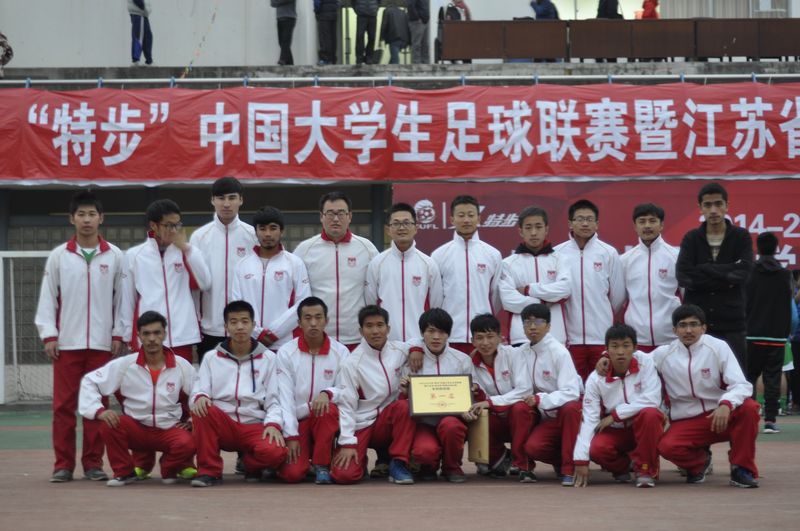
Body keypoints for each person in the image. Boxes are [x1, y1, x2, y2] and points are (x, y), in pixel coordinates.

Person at [35, 191, 124, 483]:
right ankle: (62, 465)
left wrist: (119, 332)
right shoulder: (59, 256)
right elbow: (48, 297)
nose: (87, 220)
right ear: (71, 219)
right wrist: (49, 334)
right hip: (67, 345)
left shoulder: (115, 256)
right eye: (81, 214)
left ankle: (93, 464)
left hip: (101, 345)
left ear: (101, 218)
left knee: (97, 406)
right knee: (63, 408)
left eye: (92, 214)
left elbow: (122, 300)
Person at [78, 311, 196, 487]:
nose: (152, 339)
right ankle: (124, 472)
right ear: (139, 335)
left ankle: (168, 468)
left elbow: (199, 392)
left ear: (164, 334)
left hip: (168, 428)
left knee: (189, 442)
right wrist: (99, 411)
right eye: (146, 333)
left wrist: (192, 420)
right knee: (110, 424)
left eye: (157, 333)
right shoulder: (126, 364)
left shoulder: (181, 365)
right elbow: (90, 381)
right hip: (137, 428)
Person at [655, 304, 760, 488]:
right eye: (682, 325)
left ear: (704, 327)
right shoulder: (664, 354)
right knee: (667, 447)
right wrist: (606, 357)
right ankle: (700, 462)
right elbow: (635, 360)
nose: (688, 330)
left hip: (720, 415)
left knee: (749, 408)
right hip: (688, 420)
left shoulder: (718, 347)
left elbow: (741, 385)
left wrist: (726, 404)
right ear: (674, 330)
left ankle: (741, 469)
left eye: (694, 324)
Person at [190, 300, 288, 487]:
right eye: (234, 322)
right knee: (201, 408)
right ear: (226, 326)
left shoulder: (268, 358)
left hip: (253, 424)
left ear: (253, 325)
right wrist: (200, 397)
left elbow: (274, 399)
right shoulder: (211, 357)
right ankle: (209, 471)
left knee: (276, 453)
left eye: (244, 321)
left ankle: (250, 464)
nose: (240, 327)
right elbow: (199, 389)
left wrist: (274, 423)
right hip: (223, 423)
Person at [330, 306, 418, 485]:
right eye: (369, 326)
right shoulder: (352, 363)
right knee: (344, 476)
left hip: (389, 420)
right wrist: (347, 442)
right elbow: (347, 403)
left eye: (380, 325)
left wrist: (416, 349)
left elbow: (419, 341)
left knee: (405, 406)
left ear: (388, 328)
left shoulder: (400, 350)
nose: (375, 331)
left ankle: (398, 463)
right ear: (361, 331)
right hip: (362, 423)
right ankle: (360, 461)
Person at [119, 199, 211, 363]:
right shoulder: (134, 255)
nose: (174, 230)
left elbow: (205, 283)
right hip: (149, 336)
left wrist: (186, 249)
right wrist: (127, 336)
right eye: (168, 225)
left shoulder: (188, 252)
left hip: (182, 335)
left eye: (177, 225)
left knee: (181, 378)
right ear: (153, 226)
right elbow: (127, 299)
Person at [573, 324, 664, 488]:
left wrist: (615, 415)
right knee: (596, 449)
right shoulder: (595, 379)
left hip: (642, 426)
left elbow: (653, 399)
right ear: (606, 350)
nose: (621, 352)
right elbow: (590, 418)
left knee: (651, 414)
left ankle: (645, 470)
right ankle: (624, 466)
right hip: (616, 431)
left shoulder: (645, 362)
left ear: (635, 347)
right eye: (614, 347)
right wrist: (581, 459)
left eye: (626, 346)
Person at [676, 182, 754, 372]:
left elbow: (743, 274)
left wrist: (704, 269)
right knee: (698, 375)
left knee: (736, 375)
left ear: (727, 206)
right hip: (697, 323)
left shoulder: (741, 236)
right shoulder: (691, 238)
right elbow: (683, 276)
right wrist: (726, 275)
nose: (713, 210)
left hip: (732, 321)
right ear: (700, 208)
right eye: (708, 205)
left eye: (718, 204)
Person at [275, 297, 351, 484]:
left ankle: (321, 464)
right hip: (297, 420)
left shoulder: (341, 352)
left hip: (324, 418)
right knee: (292, 475)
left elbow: (346, 390)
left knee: (327, 409)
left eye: (318, 317)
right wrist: (291, 435)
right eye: (307, 318)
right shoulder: (286, 352)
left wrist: (328, 393)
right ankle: (294, 462)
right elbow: (284, 397)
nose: (313, 323)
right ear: (299, 323)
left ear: (327, 320)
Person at [294, 191, 379, 350]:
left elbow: (377, 291)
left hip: (357, 338)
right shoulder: (304, 250)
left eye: (341, 213)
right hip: (318, 337)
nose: (335, 219)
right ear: (321, 216)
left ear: (350, 216)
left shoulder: (367, 249)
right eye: (330, 213)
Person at [555, 199, 625, 381]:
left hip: (601, 336)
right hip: (569, 337)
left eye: (589, 219)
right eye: (579, 219)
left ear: (597, 224)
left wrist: (602, 314)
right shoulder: (557, 253)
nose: (585, 224)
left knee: (604, 386)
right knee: (572, 388)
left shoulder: (608, 253)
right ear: (570, 223)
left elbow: (617, 296)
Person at [190, 177, 257, 362]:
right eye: (221, 198)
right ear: (212, 200)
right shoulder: (199, 237)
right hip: (210, 329)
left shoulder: (253, 236)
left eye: (232, 198)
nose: (226, 204)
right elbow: (194, 286)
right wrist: (195, 324)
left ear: (241, 200)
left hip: (247, 328)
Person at [404, 309, 474, 482]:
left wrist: (470, 402)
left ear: (448, 334)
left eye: (442, 332)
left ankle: (451, 466)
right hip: (423, 423)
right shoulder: (411, 360)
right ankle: (428, 465)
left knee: (452, 426)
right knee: (424, 452)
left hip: (452, 419)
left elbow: (473, 390)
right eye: (431, 331)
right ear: (422, 333)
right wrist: (405, 389)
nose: (436, 337)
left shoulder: (462, 360)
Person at [519, 304, 583, 486]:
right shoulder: (522, 351)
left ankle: (569, 469)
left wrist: (541, 399)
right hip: (547, 417)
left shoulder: (559, 352)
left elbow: (571, 392)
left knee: (570, 408)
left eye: (538, 322)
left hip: (570, 414)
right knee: (534, 448)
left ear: (548, 326)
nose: (532, 327)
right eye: (528, 322)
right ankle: (562, 460)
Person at [231, 206, 310, 350]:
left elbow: (303, 303)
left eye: (273, 228)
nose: (267, 234)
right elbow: (236, 304)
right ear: (256, 231)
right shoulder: (242, 266)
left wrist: (274, 334)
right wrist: (257, 333)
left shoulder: (295, 263)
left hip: (285, 344)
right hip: (251, 343)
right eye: (262, 228)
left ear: (282, 230)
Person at [432, 195, 502, 354]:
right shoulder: (439, 255)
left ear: (479, 218)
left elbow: (495, 296)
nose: (466, 220)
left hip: (483, 336)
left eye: (471, 215)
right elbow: (436, 297)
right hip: (450, 335)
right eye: (461, 215)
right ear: (452, 219)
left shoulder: (492, 254)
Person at [467, 314, 534, 479]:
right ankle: (501, 457)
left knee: (521, 408)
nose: (485, 343)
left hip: (519, 415)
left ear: (500, 337)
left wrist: (490, 402)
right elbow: (475, 396)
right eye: (479, 338)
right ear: (472, 341)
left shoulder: (514, 354)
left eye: (490, 337)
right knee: (473, 416)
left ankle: (523, 464)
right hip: (494, 417)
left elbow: (524, 390)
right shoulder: (469, 363)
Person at [365, 203, 443, 342]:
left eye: (407, 223)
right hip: (386, 343)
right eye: (396, 223)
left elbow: (435, 306)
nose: (401, 228)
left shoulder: (428, 265)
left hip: (419, 343)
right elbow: (371, 304)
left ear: (416, 228)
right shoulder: (377, 264)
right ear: (388, 229)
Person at [500, 206, 570, 346]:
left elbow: (565, 289)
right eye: (528, 227)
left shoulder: (560, 259)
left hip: (555, 336)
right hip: (521, 338)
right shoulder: (507, 263)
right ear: (521, 231)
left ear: (546, 229)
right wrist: (543, 302)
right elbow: (508, 300)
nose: (533, 232)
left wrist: (528, 290)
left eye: (538, 227)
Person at [745, 232, 793, 434]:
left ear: (757, 247)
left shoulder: (750, 271)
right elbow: (788, 305)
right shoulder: (785, 274)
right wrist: (787, 331)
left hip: (752, 333)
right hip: (777, 335)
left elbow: (744, 301)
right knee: (773, 377)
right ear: (776, 248)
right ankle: (771, 420)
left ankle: (747, 419)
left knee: (748, 378)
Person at [620, 203, 681, 351]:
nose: (647, 226)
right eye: (642, 221)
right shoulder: (625, 260)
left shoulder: (676, 256)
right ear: (635, 226)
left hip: (671, 338)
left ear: (661, 225)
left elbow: (686, 296)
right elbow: (619, 299)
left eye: (652, 221)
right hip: (636, 339)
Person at [127, 0, 153, 66]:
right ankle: (136, 60)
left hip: (142, 14)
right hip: (139, 12)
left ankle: (149, 61)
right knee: (139, 36)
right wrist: (144, 8)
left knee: (147, 37)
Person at [271, 0, 297, 65]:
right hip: (279, 18)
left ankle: (282, 59)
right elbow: (272, 3)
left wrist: (278, 2)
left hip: (289, 18)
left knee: (285, 41)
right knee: (281, 42)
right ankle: (290, 63)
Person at [353, 0, 379, 65]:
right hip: (362, 14)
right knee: (360, 36)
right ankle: (359, 58)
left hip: (372, 15)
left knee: (372, 37)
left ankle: (369, 57)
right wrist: (357, 10)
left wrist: (375, 9)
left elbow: (379, 1)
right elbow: (353, 1)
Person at [314, 0, 340, 65]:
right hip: (334, 13)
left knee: (324, 37)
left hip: (323, 13)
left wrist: (316, 12)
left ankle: (325, 59)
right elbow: (339, 2)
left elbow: (317, 3)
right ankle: (332, 59)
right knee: (333, 37)